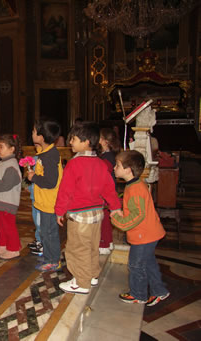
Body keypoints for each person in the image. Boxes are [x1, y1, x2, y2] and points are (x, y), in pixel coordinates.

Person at [55, 122, 121, 294]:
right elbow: (109, 189)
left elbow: (65, 191)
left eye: (74, 139)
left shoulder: (74, 164)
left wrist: (59, 211)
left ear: (85, 142)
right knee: (92, 246)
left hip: (79, 216)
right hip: (96, 214)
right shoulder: (100, 164)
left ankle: (81, 282)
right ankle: (91, 275)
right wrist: (115, 207)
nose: (70, 142)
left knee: (77, 249)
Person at [111, 150, 170, 306]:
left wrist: (118, 219)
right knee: (148, 263)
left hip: (143, 235)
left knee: (135, 265)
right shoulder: (135, 185)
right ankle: (160, 291)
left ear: (128, 169)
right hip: (149, 233)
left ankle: (139, 294)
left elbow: (138, 216)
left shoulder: (135, 189)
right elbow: (136, 210)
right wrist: (124, 213)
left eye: (117, 165)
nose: (114, 168)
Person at [27, 118, 63, 272]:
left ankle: (53, 260)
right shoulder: (45, 153)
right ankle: (50, 257)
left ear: (41, 137)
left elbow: (50, 182)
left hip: (49, 202)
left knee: (48, 233)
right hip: (44, 201)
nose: (32, 134)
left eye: (34, 131)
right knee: (45, 231)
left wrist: (33, 177)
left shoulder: (49, 157)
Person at [0, 134, 23, 260]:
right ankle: (3, 245)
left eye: (1, 147)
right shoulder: (0, 163)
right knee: (0, 225)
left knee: (9, 226)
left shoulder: (11, 165)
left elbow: (6, 184)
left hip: (7, 202)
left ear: (12, 149)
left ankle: (13, 249)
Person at [98, 127, 121, 255]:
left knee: (104, 219)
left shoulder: (108, 157)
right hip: (106, 191)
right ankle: (108, 241)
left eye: (99, 139)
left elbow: (102, 170)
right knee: (105, 218)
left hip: (105, 192)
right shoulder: (106, 155)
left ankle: (104, 243)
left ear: (105, 141)